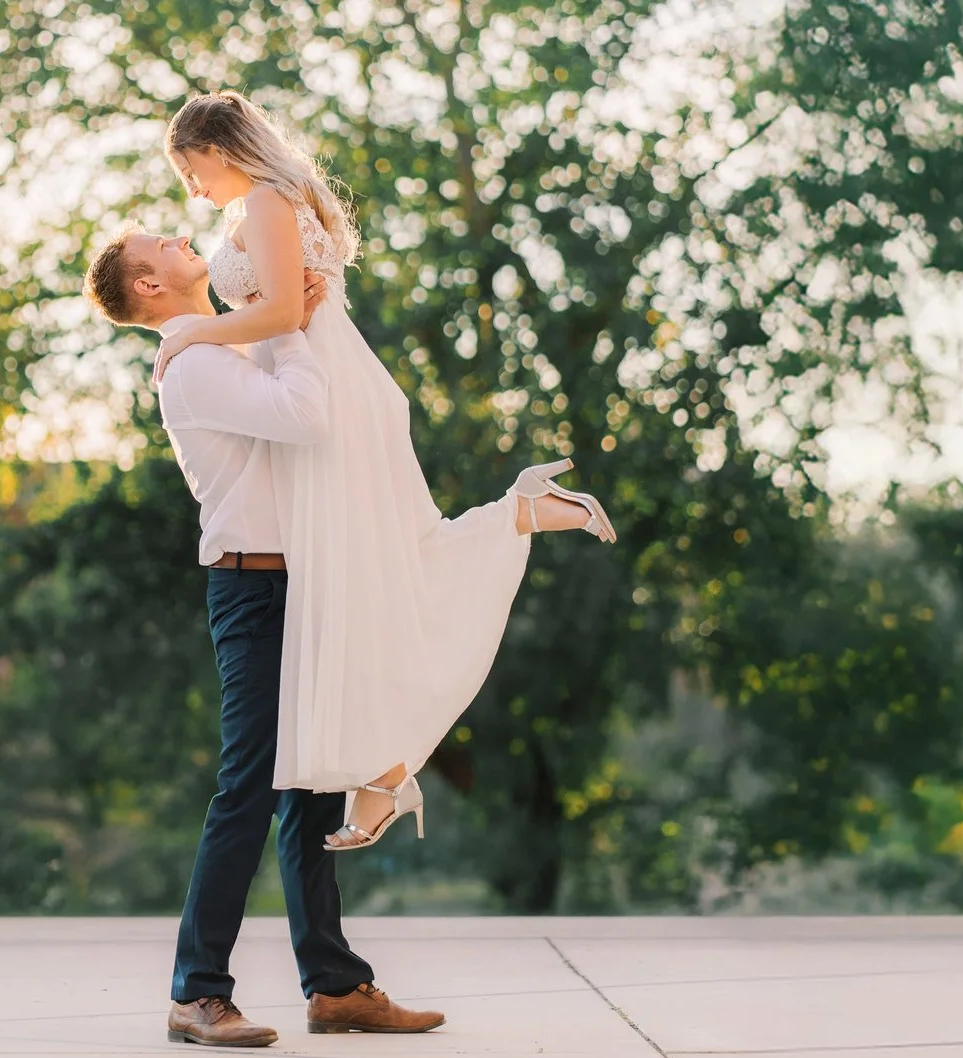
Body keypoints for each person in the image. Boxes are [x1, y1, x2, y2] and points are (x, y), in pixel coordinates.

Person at [153, 91, 616, 851]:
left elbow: (277, 315)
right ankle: (388, 767)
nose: (190, 188)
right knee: (369, 580)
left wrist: (195, 331)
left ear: (219, 148)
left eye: (188, 167)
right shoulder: (261, 208)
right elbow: (275, 317)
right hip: (325, 387)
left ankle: (390, 768)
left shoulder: (267, 203)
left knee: (372, 580)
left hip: (328, 396)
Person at [82, 227, 447, 1047]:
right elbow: (306, 416)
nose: (184, 238)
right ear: (148, 287)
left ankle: (337, 987)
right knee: (248, 785)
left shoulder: (223, 343)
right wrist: (284, 318)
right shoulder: (197, 359)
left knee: (310, 786)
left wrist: (276, 316)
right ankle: (196, 992)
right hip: (254, 587)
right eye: (165, 245)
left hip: (296, 578)